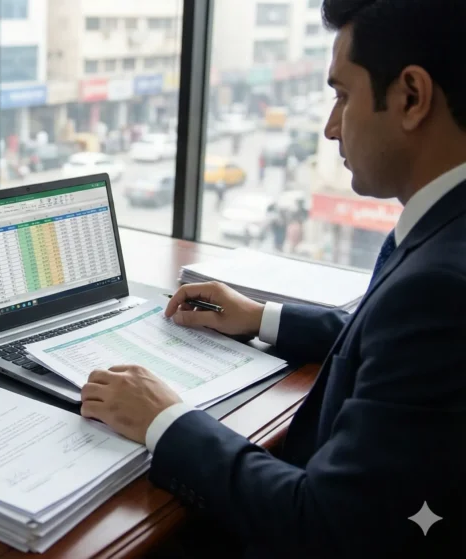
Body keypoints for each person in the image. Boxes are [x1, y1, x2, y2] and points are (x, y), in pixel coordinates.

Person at [81, 1, 466, 556]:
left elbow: (322, 526)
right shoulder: (446, 231)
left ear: (411, 96)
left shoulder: (440, 290)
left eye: (342, 95)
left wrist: (165, 420)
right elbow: (388, 343)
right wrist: (261, 317)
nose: (332, 127)